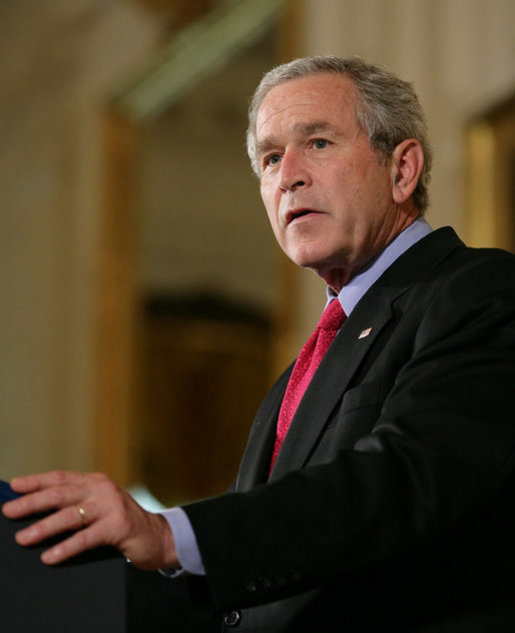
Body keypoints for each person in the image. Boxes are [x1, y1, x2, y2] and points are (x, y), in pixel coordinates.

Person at [3, 56, 515, 632]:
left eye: (317, 143)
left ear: (402, 169)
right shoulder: (294, 378)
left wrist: (168, 533)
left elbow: (401, 480)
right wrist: (52, 582)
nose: (288, 175)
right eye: (271, 158)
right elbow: (250, 596)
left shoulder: (481, 290)